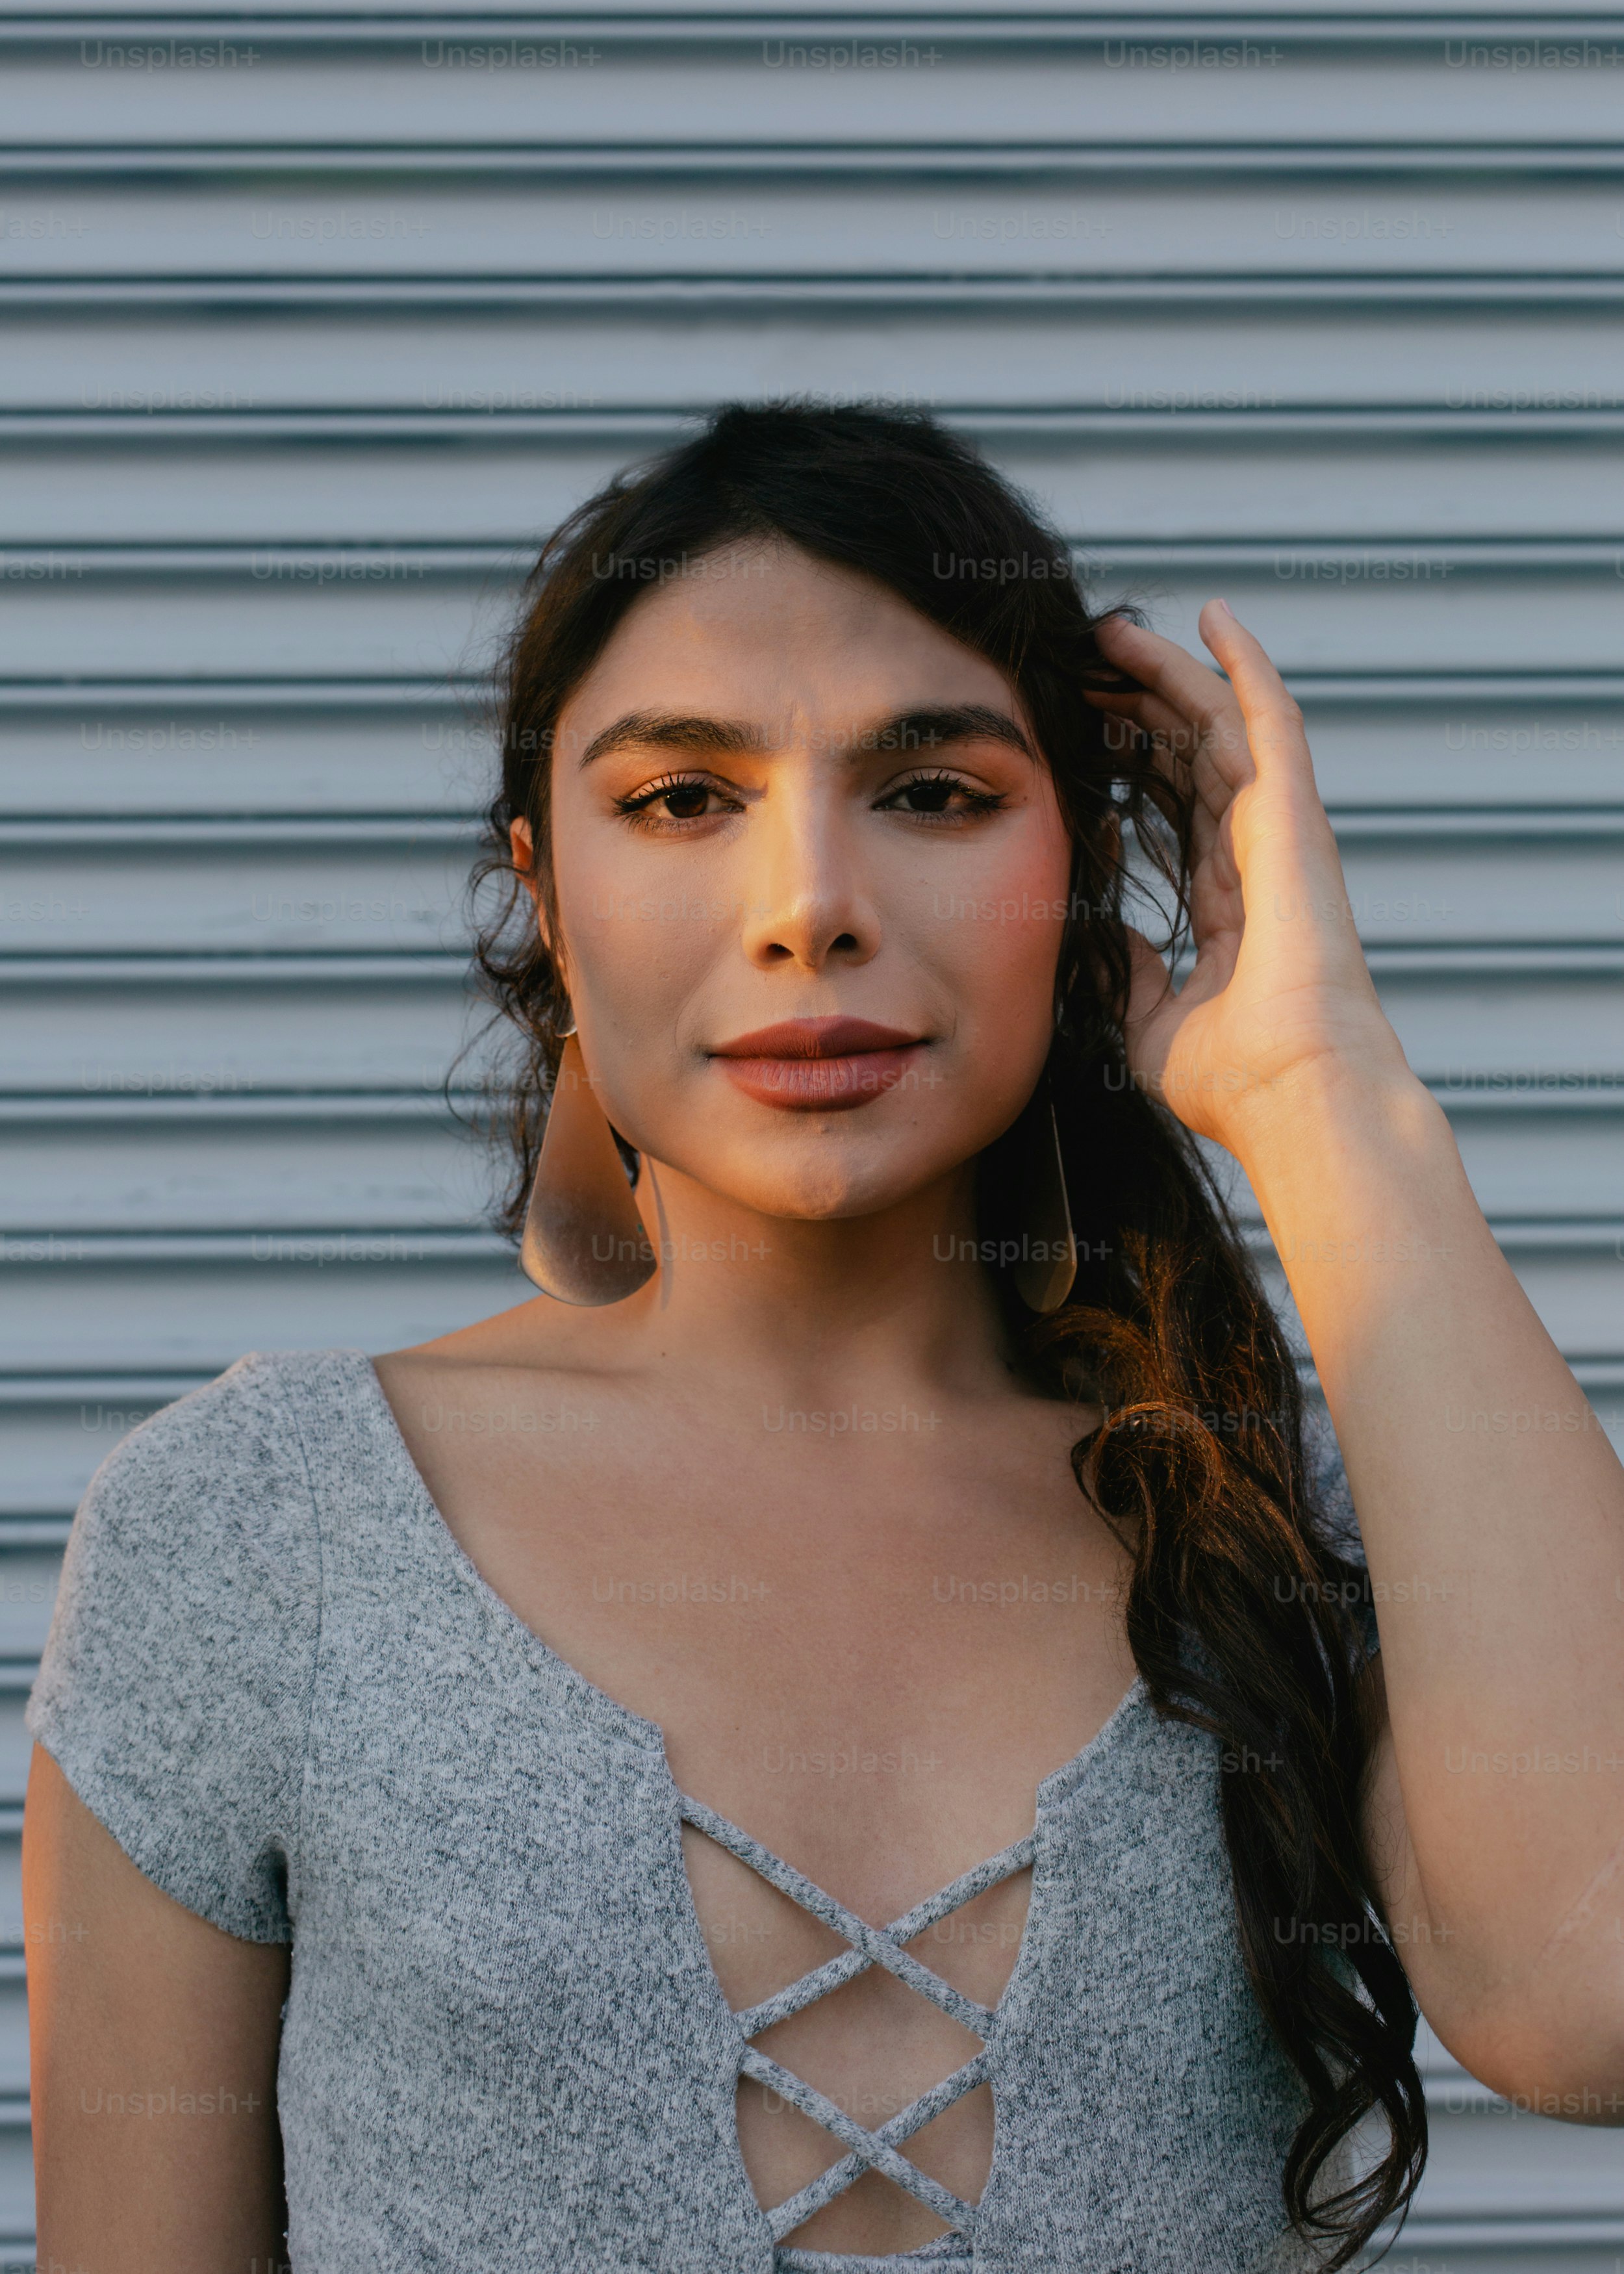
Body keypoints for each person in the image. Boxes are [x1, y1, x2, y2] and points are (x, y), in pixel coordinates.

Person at [24, 405, 1624, 2274]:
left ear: (1081, 872)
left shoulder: (1292, 1516)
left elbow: (1588, 2000)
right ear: (548, 896)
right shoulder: (253, 1529)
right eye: (679, 800)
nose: (811, 911)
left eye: (933, 792)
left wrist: (1319, 1092)